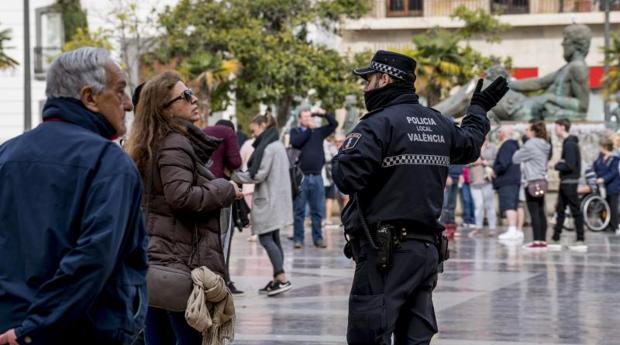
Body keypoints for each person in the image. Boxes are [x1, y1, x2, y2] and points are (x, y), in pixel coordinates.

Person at [332, 50, 508, 345]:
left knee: (368, 334)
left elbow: (347, 177)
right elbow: (470, 145)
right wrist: (478, 108)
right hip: (424, 251)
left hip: (384, 253)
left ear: (384, 79)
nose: (364, 88)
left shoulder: (377, 124)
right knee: (415, 337)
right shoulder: (438, 123)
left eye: (368, 80)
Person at [0, 47, 148, 345]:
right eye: (119, 91)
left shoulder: (6, 154)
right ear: (89, 97)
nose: (129, 105)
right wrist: (34, 330)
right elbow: (93, 258)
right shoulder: (110, 163)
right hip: (81, 331)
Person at [125, 71, 241, 345]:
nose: (194, 99)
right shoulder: (174, 143)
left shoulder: (148, 144)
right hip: (179, 267)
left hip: (156, 267)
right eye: (185, 96)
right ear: (165, 109)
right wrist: (226, 188)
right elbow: (182, 198)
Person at [232, 114, 294, 296]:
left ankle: (281, 278)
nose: (253, 135)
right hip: (277, 199)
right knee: (273, 238)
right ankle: (277, 279)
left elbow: (258, 175)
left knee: (266, 238)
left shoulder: (268, 148)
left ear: (263, 125)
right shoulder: (277, 145)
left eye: (254, 130)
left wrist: (234, 175)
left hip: (269, 200)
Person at [204, 119, 244, 294]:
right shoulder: (228, 133)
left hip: (200, 191)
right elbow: (236, 162)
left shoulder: (203, 132)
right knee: (223, 240)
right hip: (221, 193)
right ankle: (222, 280)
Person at [290, 108, 338, 248]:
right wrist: (309, 130)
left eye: (309, 117)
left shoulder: (318, 132)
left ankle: (318, 238)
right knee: (299, 211)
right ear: (300, 119)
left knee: (317, 210)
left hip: (317, 176)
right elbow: (296, 143)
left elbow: (334, 124)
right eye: (304, 117)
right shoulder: (296, 132)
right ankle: (298, 239)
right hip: (302, 177)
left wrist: (323, 114)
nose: (307, 119)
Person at [513, 121, 551, 249]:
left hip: (532, 181)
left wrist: (522, 143)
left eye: (528, 129)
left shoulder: (530, 144)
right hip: (542, 180)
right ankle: (543, 240)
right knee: (541, 211)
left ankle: (536, 241)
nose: (526, 131)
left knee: (533, 212)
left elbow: (516, 158)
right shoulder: (545, 144)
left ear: (534, 131)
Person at [549, 118, 586, 251]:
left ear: (563, 127)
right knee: (560, 210)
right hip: (566, 182)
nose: (555, 129)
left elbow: (569, 165)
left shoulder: (569, 144)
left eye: (556, 127)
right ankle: (555, 237)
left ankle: (580, 239)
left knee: (575, 210)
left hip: (569, 182)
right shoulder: (569, 142)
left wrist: (555, 164)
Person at [494, 125, 524, 241]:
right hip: (514, 179)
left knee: (509, 205)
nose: (498, 134)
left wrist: (494, 170)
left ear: (504, 133)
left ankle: (512, 229)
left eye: (499, 132)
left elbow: (503, 163)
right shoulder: (514, 145)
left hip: (507, 180)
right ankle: (516, 230)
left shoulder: (507, 145)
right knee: (514, 205)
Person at [469, 140, 498, 235]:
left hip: (487, 179)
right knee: (478, 206)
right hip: (474, 180)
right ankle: (478, 228)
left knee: (489, 205)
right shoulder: (472, 145)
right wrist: (475, 162)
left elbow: (498, 161)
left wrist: (488, 162)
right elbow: (464, 162)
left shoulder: (492, 147)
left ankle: (492, 228)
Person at [593, 137, 620, 234]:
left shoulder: (614, 158)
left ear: (605, 147)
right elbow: (595, 166)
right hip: (602, 186)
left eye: (600, 147)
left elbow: (614, 172)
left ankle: (614, 225)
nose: (599, 149)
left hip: (613, 186)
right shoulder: (600, 158)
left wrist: (603, 178)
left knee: (612, 206)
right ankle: (606, 224)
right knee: (604, 205)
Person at [441, 164, 463, 237]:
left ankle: (451, 227)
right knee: (446, 204)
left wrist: (461, 173)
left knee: (452, 203)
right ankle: (443, 227)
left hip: (457, 176)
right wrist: (447, 174)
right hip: (449, 176)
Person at [323, 134, 340, 226]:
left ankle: (327, 219)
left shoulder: (325, 144)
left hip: (329, 177)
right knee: (328, 198)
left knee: (329, 198)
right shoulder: (327, 145)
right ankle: (327, 219)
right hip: (327, 177)